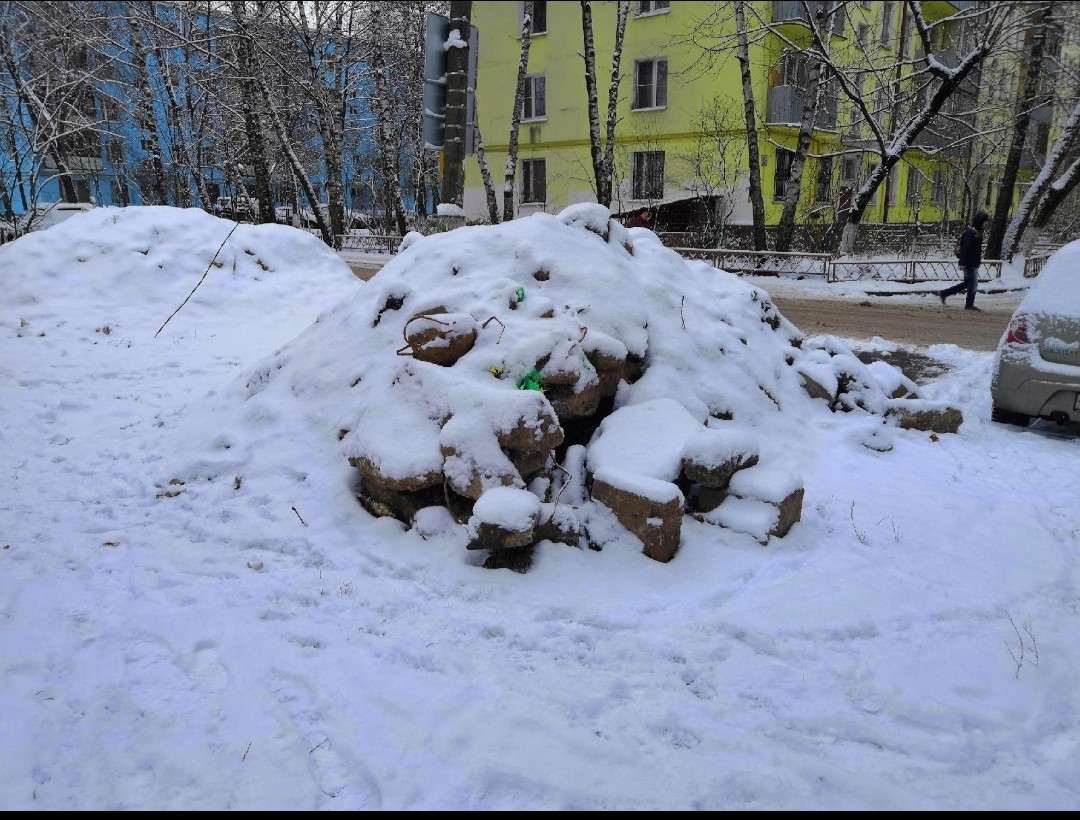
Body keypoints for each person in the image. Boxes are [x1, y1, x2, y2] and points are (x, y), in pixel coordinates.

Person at [939, 211, 990, 311]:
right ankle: (969, 305)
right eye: (985, 221)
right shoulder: (970, 233)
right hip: (969, 264)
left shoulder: (977, 233)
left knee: (966, 284)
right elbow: (965, 248)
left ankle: (944, 293)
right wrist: (962, 262)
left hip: (973, 263)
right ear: (980, 222)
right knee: (973, 285)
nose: (986, 224)